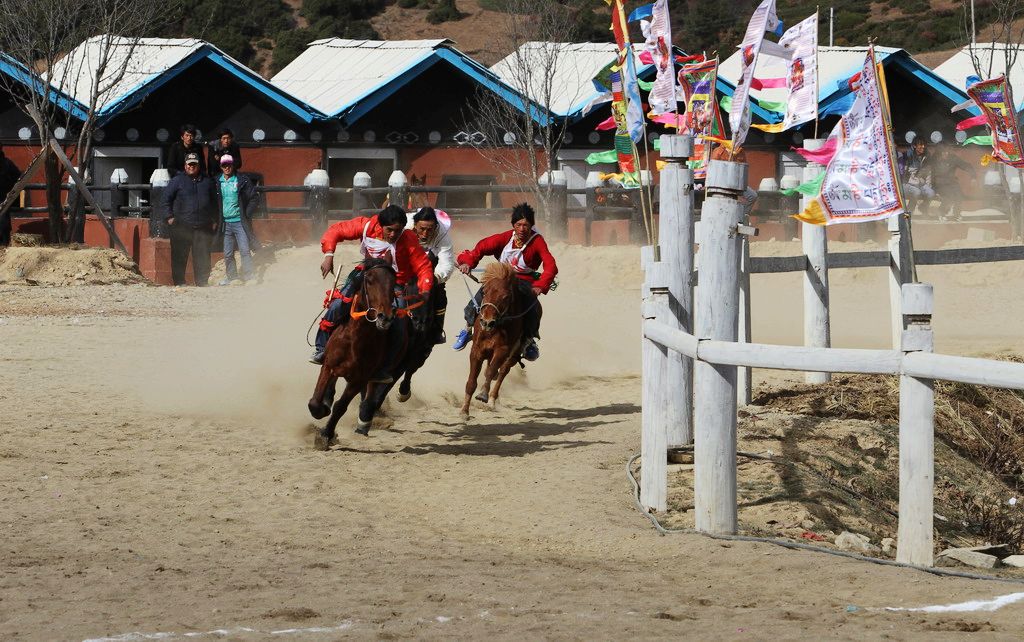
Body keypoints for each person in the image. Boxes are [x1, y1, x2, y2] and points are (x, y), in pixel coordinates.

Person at [311, 204, 434, 378]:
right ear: (380, 225)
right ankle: (321, 348)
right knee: (337, 304)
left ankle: (386, 368)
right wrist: (329, 255)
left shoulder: (409, 239)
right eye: (389, 230)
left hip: (394, 283)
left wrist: (426, 289)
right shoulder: (366, 226)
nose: (393, 235)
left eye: (397, 231)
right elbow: (336, 231)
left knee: (399, 323)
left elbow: (423, 266)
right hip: (366, 276)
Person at [452, 203, 557, 361]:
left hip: (524, 281)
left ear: (531, 226)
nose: (522, 229)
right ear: (513, 225)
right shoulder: (503, 238)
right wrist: (467, 263)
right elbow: (479, 249)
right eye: (519, 225)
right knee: (478, 300)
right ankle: (467, 330)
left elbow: (550, 265)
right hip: (499, 278)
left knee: (533, 308)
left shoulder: (538, 241)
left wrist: (540, 286)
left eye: (526, 225)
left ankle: (529, 341)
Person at [162, 152, 217, 286]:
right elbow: (165, 200)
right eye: (189, 164)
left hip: (203, 226)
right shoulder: (177, 181)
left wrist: (215, 219)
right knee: (179, 256)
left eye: (194, 164)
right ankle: (179, 282)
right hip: (181, 225)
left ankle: (202, 282)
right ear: (185, 165)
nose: (192, 166)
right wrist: (169, 217)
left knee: (203, 257)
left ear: (199, 165)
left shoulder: (208, 182)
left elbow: (215, 202)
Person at [406, 206, 455, 344]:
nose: (425, 233)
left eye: (430, 229)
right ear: (415, 225)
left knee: (440, 294)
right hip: (406, 262)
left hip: (431, 265)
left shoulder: (443, 234)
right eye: (422, 229)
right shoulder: (403, 226)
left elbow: (446, 264)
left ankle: (437, 331)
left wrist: (434, 279)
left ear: (436, 227)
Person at [215, 154, 258, 285]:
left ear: (233, 165)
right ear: (221, 167)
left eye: (229, 165)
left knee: (244, 250)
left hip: (240, 222)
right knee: (228, 253)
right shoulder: (217, 181)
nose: (227, 167)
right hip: (225, 223)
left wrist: (247, 214)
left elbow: (254, 198)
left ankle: (249, 276)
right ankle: (232, 277)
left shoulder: (242, 180)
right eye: (224, 165)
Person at [925, 145, 975, 222]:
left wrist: (973, 176)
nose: (945, 154)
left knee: (959, 195)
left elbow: (965, 165)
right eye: (943, 152)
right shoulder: (934, 159)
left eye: (947, 152)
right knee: (949, 196)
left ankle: (956, 214)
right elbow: (928, 172)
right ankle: (942, 212)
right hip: (939, 183)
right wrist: (932, 186)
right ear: (939, 153)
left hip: (952, 182)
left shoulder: (953, 158)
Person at [710, 143, 758, 217]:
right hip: (720, 183)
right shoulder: (718, 151)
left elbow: (743, 167)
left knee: (752, 196)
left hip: (736, 183)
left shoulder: (740, 151)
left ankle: (741, 216)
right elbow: (714, 166)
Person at [899, 139, 935, 216]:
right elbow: (905, 174)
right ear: (914, 146)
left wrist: (928, 185)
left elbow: (928, 172)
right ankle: (909, 212)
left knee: (931, 193)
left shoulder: (926, 156)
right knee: (917, 192)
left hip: (919, 182)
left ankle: (923, 208)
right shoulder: (908, 155)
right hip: (906, 183)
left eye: (924, 145)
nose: (923, 146)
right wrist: (917, 180)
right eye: (920, 145)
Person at [0, 145, 21, 246]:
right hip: (4, 198)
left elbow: (18, 177)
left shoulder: (7, 163)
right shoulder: (7, 163)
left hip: (3, 198)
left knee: (3, 220)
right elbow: (18, 177)